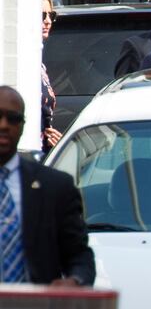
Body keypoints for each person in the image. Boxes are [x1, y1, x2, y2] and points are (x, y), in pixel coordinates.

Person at [0, 86, 95, 285]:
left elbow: (79, 257)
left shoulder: (56, 187)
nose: (4, 125)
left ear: (23, 125)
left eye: (13, 118)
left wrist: (75, 281)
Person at [41, 0, 62, 152]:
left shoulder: (39, 66)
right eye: (41, 15)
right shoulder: (19, 62)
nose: (48, 21)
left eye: (51, 15)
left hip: (43, 151)